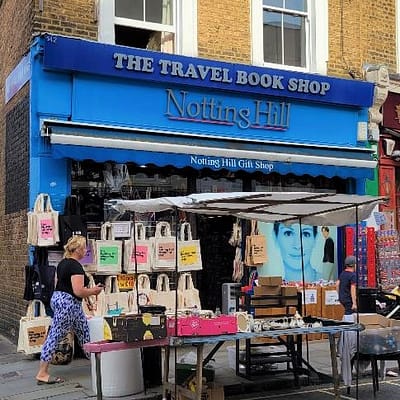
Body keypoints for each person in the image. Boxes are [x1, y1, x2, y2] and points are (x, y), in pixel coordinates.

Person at [35, 235, 104, 385]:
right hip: (68, 304)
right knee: (55, 335)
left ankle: (98, 363)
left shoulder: (63, 264)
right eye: (84, 247)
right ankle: (42, 373)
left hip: (63, 301)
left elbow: (61, 285)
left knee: (84, 332)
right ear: (78, 249)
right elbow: (78, 290)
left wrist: (86, 298)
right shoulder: (75, 266)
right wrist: (94, 291)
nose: (86, 250)